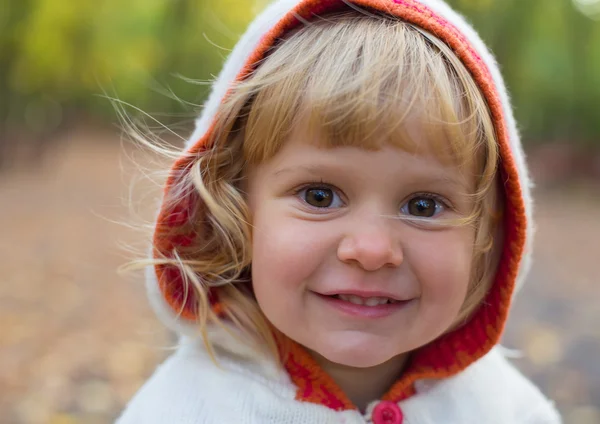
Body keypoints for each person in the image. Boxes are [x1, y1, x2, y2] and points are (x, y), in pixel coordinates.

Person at [116, 0, 562, 422]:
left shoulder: (507, 411)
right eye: (319, 197)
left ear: (488, 235)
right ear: (235, 209)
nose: (371, 250)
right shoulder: (179, 411)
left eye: (423, 206)